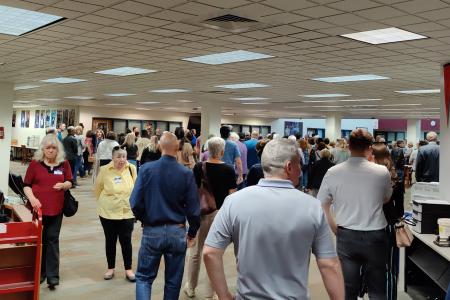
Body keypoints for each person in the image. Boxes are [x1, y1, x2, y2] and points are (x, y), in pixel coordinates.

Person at [203, 138, 344, 299]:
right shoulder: (313, 207)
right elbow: (329, 265)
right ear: (289, 167)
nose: (300, 170)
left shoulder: (234, 202)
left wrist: (224, 296)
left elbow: (210, 253)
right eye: (298, 164)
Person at [317, 129, 392, 299]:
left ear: (349, 146)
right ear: (370, 148)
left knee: (348, 287)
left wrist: (334, 227)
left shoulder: (333, 172)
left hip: (346, 234)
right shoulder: (381, 172)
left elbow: (322, 205)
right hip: (376, 234)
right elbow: (386, 198)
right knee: (378, 287)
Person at [130, 132, 201, 299]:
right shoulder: (186, 173)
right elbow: (193, 208)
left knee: (144, 278)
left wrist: (144, 219)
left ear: (160, 146)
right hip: (177, 231)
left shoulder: (146, 169)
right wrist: (192, 233)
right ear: (177, 148)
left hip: (152, 229)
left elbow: (134, 202)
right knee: (173, 281)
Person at [184, 137, 237, 299]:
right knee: (214, 253)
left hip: (201, 213)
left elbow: (192, 192)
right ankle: (210, 292)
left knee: (195, 252)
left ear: (207, 150)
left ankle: (191, 287)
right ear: (222, 152)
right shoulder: (229, 170)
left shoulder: (199, 167)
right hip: (220, 215)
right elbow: (232, 196)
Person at [23, 134, 73, 290]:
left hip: (56, 209)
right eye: (48, 148)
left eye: (54, 148)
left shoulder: (63, 163)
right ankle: (40, 273)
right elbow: (26, 185)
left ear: (58, 149)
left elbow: (70, 182)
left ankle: (52, 276)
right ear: (43, 149)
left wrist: (64, 185)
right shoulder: (35, 164)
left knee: (52, 240)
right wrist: (32, 199)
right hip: (38, 210)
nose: (51, 150)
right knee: (39, 241)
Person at [95, 146, 137, 282]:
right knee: (110, 240)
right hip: (108, 212)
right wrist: (104, 202)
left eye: (124, 156)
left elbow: (136, 188)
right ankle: (110, 268)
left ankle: (128, 269)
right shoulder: (105, 170)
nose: (121, 159)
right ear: (113, 157)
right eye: (118, 156)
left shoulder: (131, 169)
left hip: (127, 212)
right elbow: (98, 188)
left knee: (126, 241)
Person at [371, 142, 404, 300]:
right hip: (390, 225)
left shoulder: (369, 177)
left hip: (370, 225)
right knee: (390, 268)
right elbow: (400, 210)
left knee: (369, 265)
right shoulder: (395, 177)